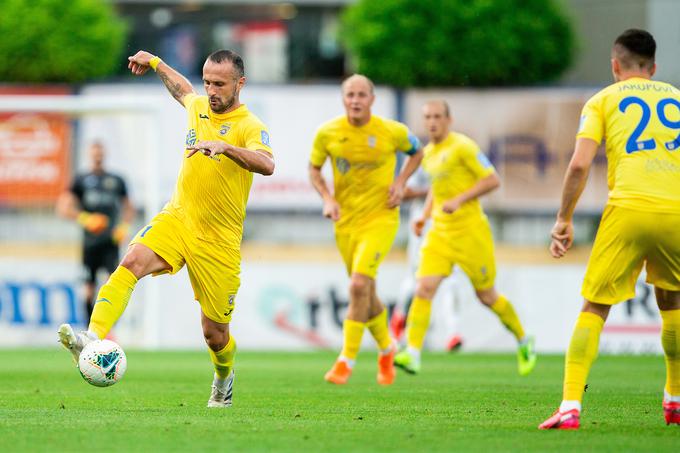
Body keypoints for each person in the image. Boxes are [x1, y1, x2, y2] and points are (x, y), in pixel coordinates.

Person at [57, 49, 274, 408]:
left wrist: (225, 146)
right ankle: (92, 337)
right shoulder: (198, 106)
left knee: (215, 334)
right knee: (131, 263)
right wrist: (156, 63)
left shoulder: (250, 125)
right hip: (177, 218)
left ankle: (224, 377)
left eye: (219, 83)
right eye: (207, 81)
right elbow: (181, 89)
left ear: (240, 83)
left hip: (218, 241)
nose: (211, 90)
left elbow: (267, 164)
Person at [539, 29, 680, 430]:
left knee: (595, 307)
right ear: (653, 68)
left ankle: (570, 406)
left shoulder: (603, 99)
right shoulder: (677, 98)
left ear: (615, 65)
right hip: (675, 212)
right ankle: (674, 400)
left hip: (629, 209)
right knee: (673, 304)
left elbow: (580, 165)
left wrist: (564, 219)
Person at [393, 100, 536, 376]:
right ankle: (412, 353)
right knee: (423, 288)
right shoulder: (429, 153)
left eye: (437, 116)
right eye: (427, 118)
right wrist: (424, 215)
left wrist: (460, 200)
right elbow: (437, 188)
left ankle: (522, 338)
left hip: (471, 232)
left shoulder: (463, 146)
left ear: (449, 119)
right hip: (441, 233)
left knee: (486, 295)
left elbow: (492, 179)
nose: (432, 122)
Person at [309, 74, 423, 385]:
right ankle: (387, 349)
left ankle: (346, 360)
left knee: (358, 285)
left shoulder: (391, 131)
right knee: (367, 291)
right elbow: (314, 169)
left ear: (372, 99)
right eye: (350, 95)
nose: (356, 100)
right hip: (345, 222)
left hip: (381, 219)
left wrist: (401, 183)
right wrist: (328, 198)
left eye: (362, 95)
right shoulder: (328, 133)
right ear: (343, 99)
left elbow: (418, 151)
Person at [56, 142, 134, 324]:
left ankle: (107, 329)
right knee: (88, 288)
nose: (97, 157)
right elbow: (62, 208)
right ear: (89, 155)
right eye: (94, 154)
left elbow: (129, 207)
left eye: (100, 154)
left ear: (104, 155)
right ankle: (88, 329)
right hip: (90, 243)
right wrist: (85, 218)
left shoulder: (116, 180)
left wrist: (124, 227)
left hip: (110, 242)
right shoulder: (81, 180)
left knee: (110, 286)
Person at [391, 167, 464, 351]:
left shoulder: (461, 155)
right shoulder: (425, 160)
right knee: (415, 278)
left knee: (451, 279)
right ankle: (399, 322)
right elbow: (405, 192)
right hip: (424, 222)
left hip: (450, 223)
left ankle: (453, 333)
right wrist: (435, 191)